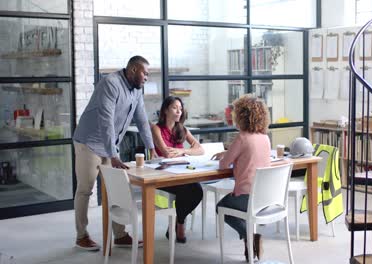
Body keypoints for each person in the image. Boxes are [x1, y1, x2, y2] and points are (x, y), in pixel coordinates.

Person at [73, 56, 157, 251]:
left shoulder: (136, 90)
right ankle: (81, 236)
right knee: (85, 189)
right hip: (89, 143)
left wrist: (151, 147)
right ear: (134, 70)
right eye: (145, 72)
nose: (147, 77)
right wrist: (114, 154)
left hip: (109, 147)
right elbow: (106, 121)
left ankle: (119, 235)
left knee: (116, 189)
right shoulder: (110, 84)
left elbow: (142, 120)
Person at [213, 95, 271, 262]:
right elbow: (250, 155)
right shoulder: (265, 138)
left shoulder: (242, 137)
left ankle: (249, 237)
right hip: (263, 197)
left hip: (245, 197)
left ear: (241, 116)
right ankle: (251, 241)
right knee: (235, 208)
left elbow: (224, 165)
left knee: (221, 208)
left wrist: (227, 155)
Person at [150, 96, 204, 243]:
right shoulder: (157, 129)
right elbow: (166, 153)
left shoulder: (182, 129)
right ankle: (180, 225)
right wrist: (183, 151)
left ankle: (178, 222)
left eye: (180, 109)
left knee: (197, 191)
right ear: (165, 110)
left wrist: (182, 152)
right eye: (174, 108)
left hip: (181, 174)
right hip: (163, 176)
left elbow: (200, 149)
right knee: (189, 191)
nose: (178, 111)